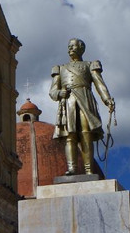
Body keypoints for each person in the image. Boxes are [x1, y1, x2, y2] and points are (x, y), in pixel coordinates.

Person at [48, 37, 116, 176]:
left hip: (85, 99)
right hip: (68, 102)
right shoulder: (60, 69)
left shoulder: (89, 65)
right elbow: (52, 91)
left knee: (86, 133)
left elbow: (99, 84)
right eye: (69, 46)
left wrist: (107, 99)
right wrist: (60, 93)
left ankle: (89, 169)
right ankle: (72, 168)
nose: (70, 48)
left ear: (81, 48)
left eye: (73, 46)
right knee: (70, 135)